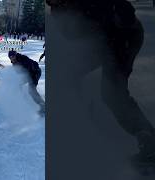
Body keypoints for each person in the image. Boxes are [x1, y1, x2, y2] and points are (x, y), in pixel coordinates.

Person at [47, 0, 155, 163]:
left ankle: (149, 143)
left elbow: (126, 11)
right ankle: (77, 124)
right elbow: (72, 36)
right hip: (101, 44)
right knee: (66, 75)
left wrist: (120, 21)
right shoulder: (57, 10)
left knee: (112, 94)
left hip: (124, 38)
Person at [8, 50, 45, 115]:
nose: (12, 58)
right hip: (28, 75)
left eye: (13, 56)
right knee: (18, 85)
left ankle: (43, 106)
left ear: (15, 55)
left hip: (35, 72)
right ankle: (23, 98)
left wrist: (30, 79)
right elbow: (19, 72)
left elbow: (30, 67)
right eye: (10, 57)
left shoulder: (23, 58)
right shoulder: (14, 62)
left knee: (31, 90)